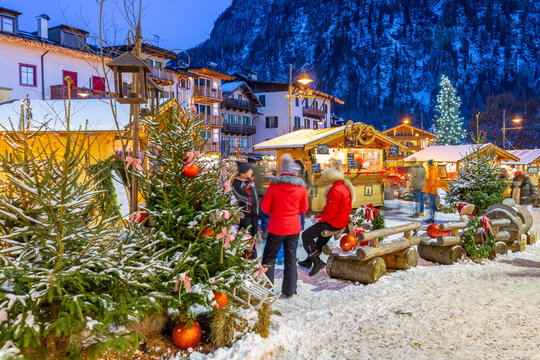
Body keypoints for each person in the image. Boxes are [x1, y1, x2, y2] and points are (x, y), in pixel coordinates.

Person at [261, 154, 308, 299]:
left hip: (276, 227)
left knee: (269, 258)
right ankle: (289, 290)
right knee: (291, 257)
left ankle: (267, 290)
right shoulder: (300, 186)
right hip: (294, 228)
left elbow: (265, 207)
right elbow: (304, 208)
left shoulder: (274, 185)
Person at [299, 166, 355, 276]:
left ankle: (316, 261)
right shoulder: (343, 187)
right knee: (321, 238)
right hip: (340, 221)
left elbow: (330, 213)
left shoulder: (335, 190)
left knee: (306, 235)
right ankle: (309, 260)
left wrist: (318, 218)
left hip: (333, 223)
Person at [232, 161, 259, 256]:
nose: (252, 171)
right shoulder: (237, 183)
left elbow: (254, 196)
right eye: (249, 169)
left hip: (254, 215)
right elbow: (241, 197)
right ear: (244, 171)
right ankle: (244, 258)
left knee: (253, 238)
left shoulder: (249, 182)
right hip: (246, 216)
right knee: (245, 238)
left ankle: (253, 258)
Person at [248, 157, 270, 239]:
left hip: (255, 194)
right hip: (261, 193)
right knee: (264, 214)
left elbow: (253, 183)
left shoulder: (251, 170)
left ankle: (256, 232)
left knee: (256, 214)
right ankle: (264, 232)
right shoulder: (259, 169)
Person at [295, 159, 312, 230]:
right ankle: (296, 223)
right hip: (294, 194)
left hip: (302, 194)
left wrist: (304, 188)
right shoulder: (293, 173)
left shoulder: (305, 173)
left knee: (302, 210)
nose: (297, 167)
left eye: (298, 165)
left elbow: (309, 183)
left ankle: (301, 224)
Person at [425, 159, 439, 223]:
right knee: (431, 205)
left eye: (428, 164)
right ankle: (431, 217)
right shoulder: (432, 170)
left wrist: (429, 186)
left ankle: (431, 218)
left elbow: (432, 181)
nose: (427, 165)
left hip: (431, 190)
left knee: (431, 205)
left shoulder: (432, 170)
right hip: (431, 190)